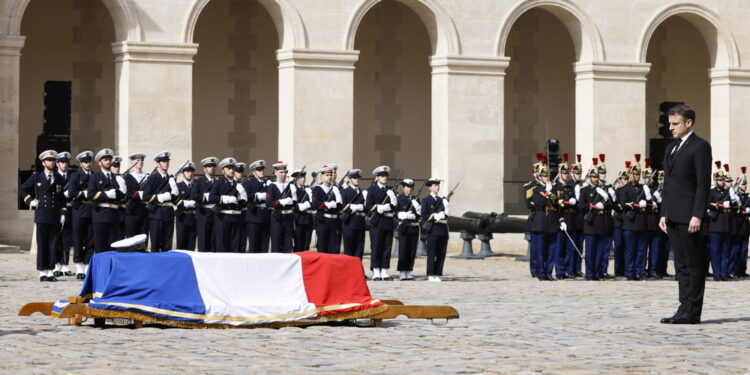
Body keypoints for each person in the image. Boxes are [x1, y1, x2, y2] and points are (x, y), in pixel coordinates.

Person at [658, 104, 712, 325]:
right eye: (669, 123)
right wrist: (664, 212)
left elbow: (702, 184)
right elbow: (667, 185)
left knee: (694, 264)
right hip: (673, 216)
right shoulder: (671, 148)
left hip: (690, 217)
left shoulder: (700, 147)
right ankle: (683, 307)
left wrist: (697, 215)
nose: (670, 128)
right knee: (681, 264)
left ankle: (693, 311)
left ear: (688, 123)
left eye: (675, 124)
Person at [20, 150, 66, 281]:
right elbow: (23, 188)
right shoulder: (36, 176)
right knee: (42, 243)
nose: (51, 162)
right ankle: (42, 271)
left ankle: (50, 270)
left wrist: (63, 212)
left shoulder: (58, 178)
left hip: (55, 215)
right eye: (49, 160)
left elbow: (61, 197)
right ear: (43, 162)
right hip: (41, 214)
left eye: (53, 160)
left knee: (53, 243)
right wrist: (30, 201)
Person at [578, 159, 611, 281]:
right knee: (590, 251)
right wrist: (592, 206)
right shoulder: (584, 190)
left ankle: (597, 273)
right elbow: (581, 205)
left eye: (597, 176)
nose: (596, 179)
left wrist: (606, 200)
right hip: (590, 223)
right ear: (589, 177)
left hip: (600, 223)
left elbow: (610, 205)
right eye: (593, 177)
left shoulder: (602, 190)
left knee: (599, 250)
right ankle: (590, 273)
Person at [87, 148, 125, 254]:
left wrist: (122, 191)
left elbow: (121, 198)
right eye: (105, 160)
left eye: (109, 159)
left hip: (114, 215)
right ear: (100, 163)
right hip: (100, 215)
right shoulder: (95, 177)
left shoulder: (116, 178)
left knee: (113, 247)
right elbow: (90, 195)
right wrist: (105, 194)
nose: (108, 162)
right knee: (100, 247)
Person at [527, 164, 559, 281]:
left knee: (552, 250)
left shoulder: (553, 188)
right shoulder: (535, 190)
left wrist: (552, 194)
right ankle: (541, 273)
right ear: (539, 177)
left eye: (547, 176)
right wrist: (546, 193)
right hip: (540, 222)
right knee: (541, 250)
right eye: (544, 176)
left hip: (552, 222)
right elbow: (539, 203)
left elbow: (557, 204)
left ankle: (549, 272)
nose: (546, 178)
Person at [619, 159, 649, 280]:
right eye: (635, 174)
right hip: (630, 223)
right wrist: (636, 205)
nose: (637, 176)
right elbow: (623, 204)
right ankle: (630, 272)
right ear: (630, 174)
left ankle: (640, 271)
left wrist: (646, 202)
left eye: (638, 174)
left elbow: (649, 202)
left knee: (641, 250)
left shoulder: (643, 187)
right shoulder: (625, 188)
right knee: (630, 250)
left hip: (641, 222)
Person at [365, 165, 397, 280]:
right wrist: (379, 207)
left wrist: (392, 200)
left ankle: (384, 270)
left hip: (387, 221)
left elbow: (394, 207)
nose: (384, 178)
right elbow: (368, 206)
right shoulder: (372, 190)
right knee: (376, 247)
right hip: (377, 222)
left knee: (387, 247)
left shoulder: (390, 190)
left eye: (386, 176)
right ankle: (376, 270)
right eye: (382, 176)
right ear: (377, 177)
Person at [142, 151, 177, 252]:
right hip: (156, 214)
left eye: (167, 161)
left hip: (169, 214)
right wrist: (160, 197)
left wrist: (175, 191)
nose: (166, 163)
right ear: (158, 164)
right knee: (156, 245)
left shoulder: (171, 179)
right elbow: (146, 196)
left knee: (167, 246)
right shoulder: (152, 178)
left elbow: (174, 199)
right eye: (163, 161)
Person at [210, 158, 246, 252]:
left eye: (233, 168)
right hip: (223, 218)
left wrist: (242, 197)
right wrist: (224, 199)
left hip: (236, 218)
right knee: (222, 247)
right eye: (228, 168)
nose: (231, 170)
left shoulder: (238, 184)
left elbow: (243, 203)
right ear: (223, 170)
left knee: (235, 247)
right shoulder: (218, 183)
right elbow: (211, 197)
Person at [68, 150, 94, 278]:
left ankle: (88, 263)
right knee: (78, 238)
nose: (87, 164)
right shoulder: (75, 176)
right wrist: (84, 193)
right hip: (79, 210)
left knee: (90, 239)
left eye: (89, 162)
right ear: (80, 163)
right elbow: (72, 192)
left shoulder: (94, 175)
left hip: (91, 210)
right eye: (85, 162)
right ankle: (79, 265)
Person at [420, 178, 450, 282]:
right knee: (432, 253)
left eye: (438, 185)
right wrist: (436, 216)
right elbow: (424, 215)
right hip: (433, 229)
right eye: (435, 185)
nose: (437, 187)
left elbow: (446, 215)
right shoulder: (426, 200)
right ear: (430, 187)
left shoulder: (442, 200)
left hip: (442, 229)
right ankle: (431, 274)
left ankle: (437, 273)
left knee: (441, 253)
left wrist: (446, 206)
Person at [706, 163, 732, 281]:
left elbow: (734, 205)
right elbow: (707, 205)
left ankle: (724, 272)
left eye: (723, 180)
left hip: (726, 224)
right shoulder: (711, 192)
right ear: (715, 180)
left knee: (725, 250)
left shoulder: (727, 192)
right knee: (715, 251)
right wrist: (720, 205)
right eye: (720, 180)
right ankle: (717, 273)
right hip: (715, 225)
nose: (722, 182)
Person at [311, 165, 342, 254]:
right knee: (322, 245)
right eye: (327, 175)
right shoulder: (318, 189)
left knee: (333, 246)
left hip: (333, 220)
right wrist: (326, 204)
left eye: (330, 175)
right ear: (322, 176)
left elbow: (340, 205)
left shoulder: (334, 189)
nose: (329, 177)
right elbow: (315, 204)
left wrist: (337, 202)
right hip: (323, 220)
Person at [266, 162, 296, 253]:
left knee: (288, 244)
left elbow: (294, 203)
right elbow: (269, 202)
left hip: (288, 218)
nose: (283, 174)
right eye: (281, 172)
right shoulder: (272, 186)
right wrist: (280, 202)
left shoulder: (291, 186)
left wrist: (293, 199)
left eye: (285, 172)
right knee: (276, 244)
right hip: (277, 218)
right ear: (275, 173)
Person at [191, 157, 218, 252]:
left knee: (214, 242)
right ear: (204, 169)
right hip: (203, 213)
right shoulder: (198, 181)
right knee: (203, 242)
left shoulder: (218, 182)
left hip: (215, 213)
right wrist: (205, 197)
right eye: (209, 166)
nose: (212, 168)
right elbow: (194, 195)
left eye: (214, 166)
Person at [54, 151, 74, 277]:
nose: (64, 164)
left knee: (67, 239)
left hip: (69, 210)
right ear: (57, 163)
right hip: (56, 211)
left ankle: (65, 265)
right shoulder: (54, 176)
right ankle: (56, 264)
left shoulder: (72, 176)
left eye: (66, 162)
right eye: (62, 162)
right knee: (56, 239)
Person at [396, 179, 421, 280]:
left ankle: (409, 271)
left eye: (410, 187)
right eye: (407, 187)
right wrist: (401, 214)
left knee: (412, 250)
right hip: (404, 227)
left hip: (414, 226)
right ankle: (402, 271)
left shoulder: (416, 199)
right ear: (403, 188)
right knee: (403, 250)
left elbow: (420, 214)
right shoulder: (399, 199)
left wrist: (418, 207)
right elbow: (393, 212)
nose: (409, 189)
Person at [244, 160, 271, 253]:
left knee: (264, 245)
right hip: (253, 216)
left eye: (262, 169)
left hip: (265, 216)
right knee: (254, 245)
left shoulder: (268, 184)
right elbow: (246, 196)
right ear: (253, 172)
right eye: (259, 170)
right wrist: (257, 196)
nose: (261, 171)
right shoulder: (249, 183)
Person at [340, 169, 367, 259]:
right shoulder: (344, 191)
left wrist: (363, 206)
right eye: (354, 178)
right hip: (349, 223)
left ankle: (358, 271)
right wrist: (354, 207)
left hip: (360, 222)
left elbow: (367, 207)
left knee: (359, 249)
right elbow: (342, 206)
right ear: (349, 179)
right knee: (349, 249)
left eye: (358, 178)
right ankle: (349, 272)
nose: (357, 180)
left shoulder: (362, 192)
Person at [123, 153, 149, 238]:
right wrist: (139, 194)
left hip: (144, 211)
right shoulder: (128, 177)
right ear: (132, 162)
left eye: (142, 160)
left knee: (143, 239)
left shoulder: (147, 177)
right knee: (131, 239)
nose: (140, 162)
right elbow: (127, 192)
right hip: (132, 211)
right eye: (137, 160)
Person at [175, 162, 198, 250]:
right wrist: (190, 203)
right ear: (182, 173)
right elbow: (176, 201)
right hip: (182, 217)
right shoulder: (178, 186)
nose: (190, 173)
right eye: (187, 171)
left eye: (191, 171)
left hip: (193, 217)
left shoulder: (196, 186)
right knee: (181, 244)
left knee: (191, 244)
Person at [291, 169, 314, 251]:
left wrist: (310, 196)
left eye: (304, 177)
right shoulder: (292, 189)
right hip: (298, 219)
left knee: (306, 244)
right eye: (300, 177)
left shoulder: (309, 189)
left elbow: (314, 203)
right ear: (295, 179)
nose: (303, 179)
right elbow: (293, 204)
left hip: (308, 219)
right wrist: (301, 206)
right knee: (298, 243)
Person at [111, 156, 127, 240]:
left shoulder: (122, 179)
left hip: (121, 212)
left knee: (121, 236)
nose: (117, 168)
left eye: (118, 166)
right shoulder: (109, 179)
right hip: (111, 212)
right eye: (114, 166)